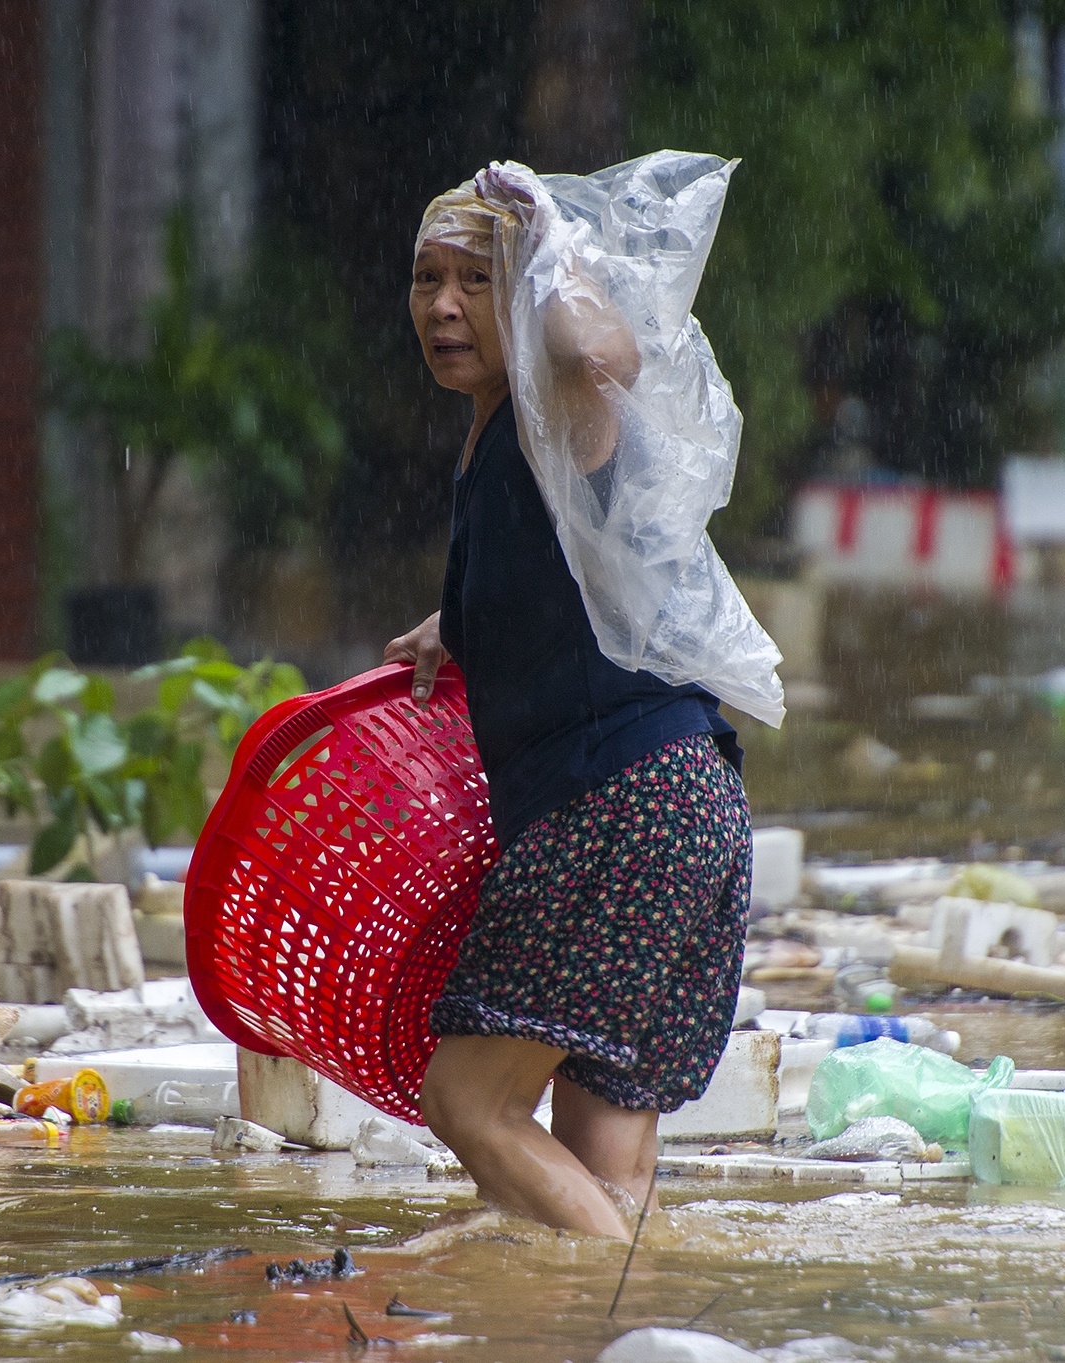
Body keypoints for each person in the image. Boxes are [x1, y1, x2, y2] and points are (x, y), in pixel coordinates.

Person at [384, 164, 758, 1239]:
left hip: (618, 809)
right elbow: (564, 571)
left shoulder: (566, 404)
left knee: (467, 1100)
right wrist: (454, 622)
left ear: (523, 296)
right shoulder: (500, 439)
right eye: (424, 279)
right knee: (607, 1165)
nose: (443, 305)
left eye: (474, 280)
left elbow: (606, 353)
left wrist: (547, 243)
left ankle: (589, 1287)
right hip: (686, 802)